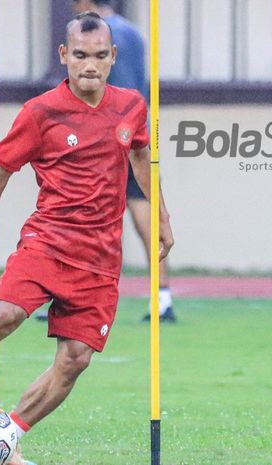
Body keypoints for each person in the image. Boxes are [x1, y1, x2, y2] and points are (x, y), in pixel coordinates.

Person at [0, 12, 174, 464]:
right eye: (81, 56)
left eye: (100, 56)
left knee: (75, 360)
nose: (91, 66)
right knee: (6, 314)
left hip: (101, 258)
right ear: (64, 56)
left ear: (114, 58)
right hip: (48, 241)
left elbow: (143, 155)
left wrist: (162, 215)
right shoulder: (40, 112)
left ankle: (2, 439)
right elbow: (0, 173)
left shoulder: (131, 106)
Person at [73, 0, 176, 322]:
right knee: (144, 212)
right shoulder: (132, 33)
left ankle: (75, 297)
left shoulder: (90, 35)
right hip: (136, 132)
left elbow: (89, 85)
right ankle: (163, 297)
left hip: (103, 135)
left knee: (84, 214)